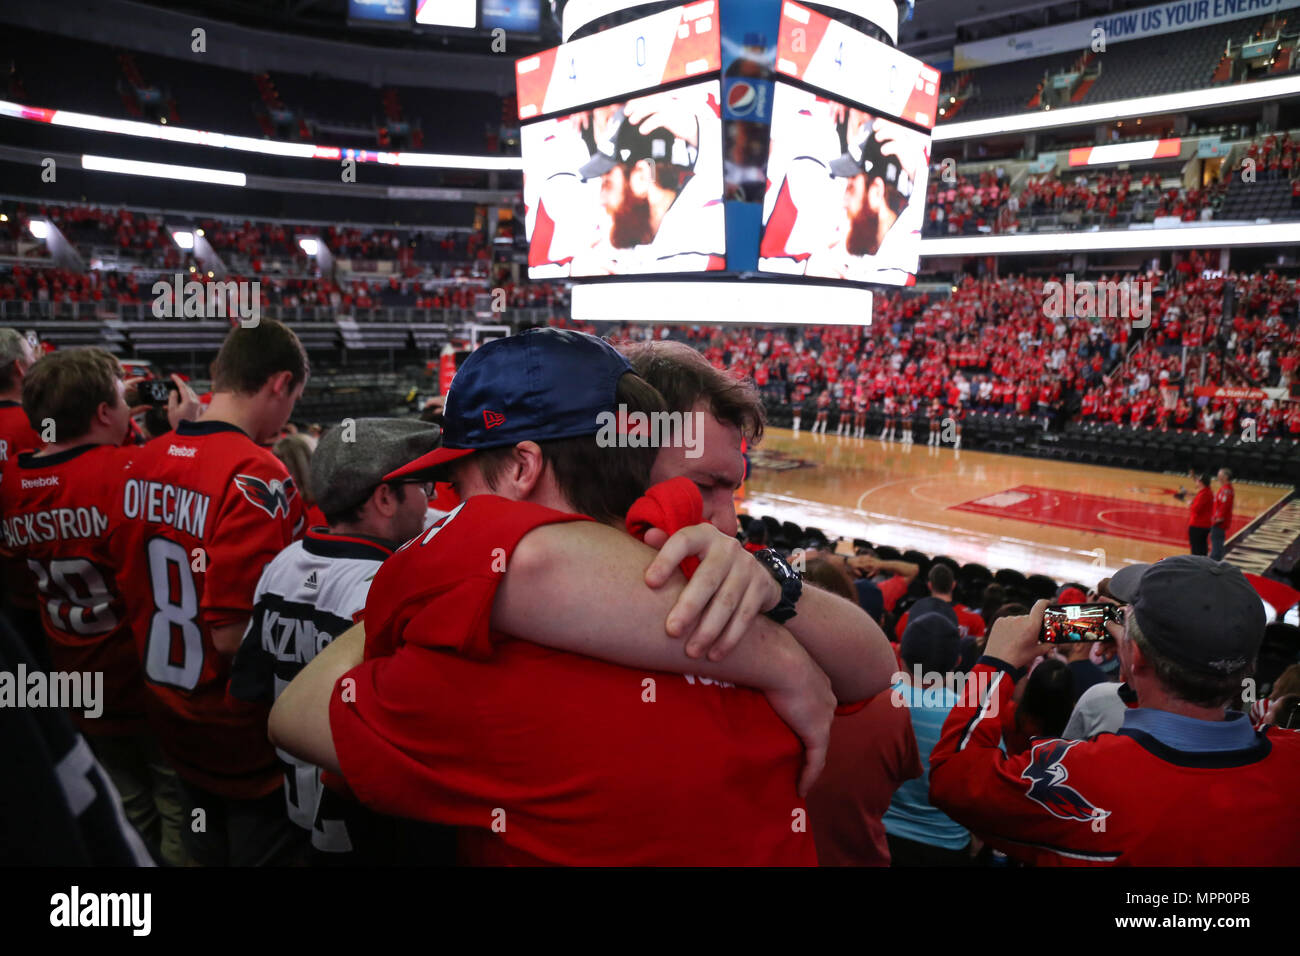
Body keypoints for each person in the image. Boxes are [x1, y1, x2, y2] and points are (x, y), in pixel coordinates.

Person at [270, 329, 839, 864]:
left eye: (461, 482)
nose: (448, 502)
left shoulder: (475, 673)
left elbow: (293, 714)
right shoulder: (724, 579)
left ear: (522, 467)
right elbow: (870, 676)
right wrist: (781, 652)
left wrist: (425, 574)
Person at [930, 555, 1300, 865]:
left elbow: (951, 776)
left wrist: (996, 664)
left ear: (1136, 655)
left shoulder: (1086, 777)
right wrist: (1138, 673)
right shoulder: (1289, 759)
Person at [110, 319, 309, 866]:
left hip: (166, 710)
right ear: (279, 383)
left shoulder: (140, 462)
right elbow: (233, 638)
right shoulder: (258, 475)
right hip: (235, 731)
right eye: (294, 396)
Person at [0, 348, 198, 866]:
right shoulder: (129, 470)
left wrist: (112, 408)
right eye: (117, 397)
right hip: (143, 677)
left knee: (125, 807)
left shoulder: (13, 479)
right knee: (177, 803)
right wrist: (184, 431)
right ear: (103, 413)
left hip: (72, 674)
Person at [230, 418, 443, 863]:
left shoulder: (284, 563)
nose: (429, 502)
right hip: (371, 830)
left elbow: (249, 690)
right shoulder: (389, 587)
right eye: (423, 487)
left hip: (296, 817)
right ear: (384, 498)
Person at [882, 613, 973, 865]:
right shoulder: (972, 719)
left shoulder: (875, 699)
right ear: (956, 662)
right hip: (945, 845)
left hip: (877, 836)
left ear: (900, 654)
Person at [895, 564, 986, 641]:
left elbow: (900, 637)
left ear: (930, 585)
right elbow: (978, 646)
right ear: (953, 585)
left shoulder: (912, 614)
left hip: (919, 662)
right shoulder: (974, 619)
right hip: (955, 662)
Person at [1186, 471, 1213, 556]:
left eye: (1198, 480)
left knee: (1197, 550)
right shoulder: (1207, 492)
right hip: (1204, 525)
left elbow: (1196, 509)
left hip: (1198, 525)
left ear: (1201, 483)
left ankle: (1196, 567)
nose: (1196, 482)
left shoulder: (1204, 494)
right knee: (1202, 549)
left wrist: (1191, 504)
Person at [1210, 467, 1234, 560]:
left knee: (1216, 547)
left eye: (1220, 475)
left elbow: (1224, 505)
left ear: (1226, 477)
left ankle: (1215, 566)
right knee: (1217, 545)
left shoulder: (1226, 490)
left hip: (1219, 523)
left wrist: (1219, 518)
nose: (1218, 477)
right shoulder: (1224, 489)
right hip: (1217, 522)